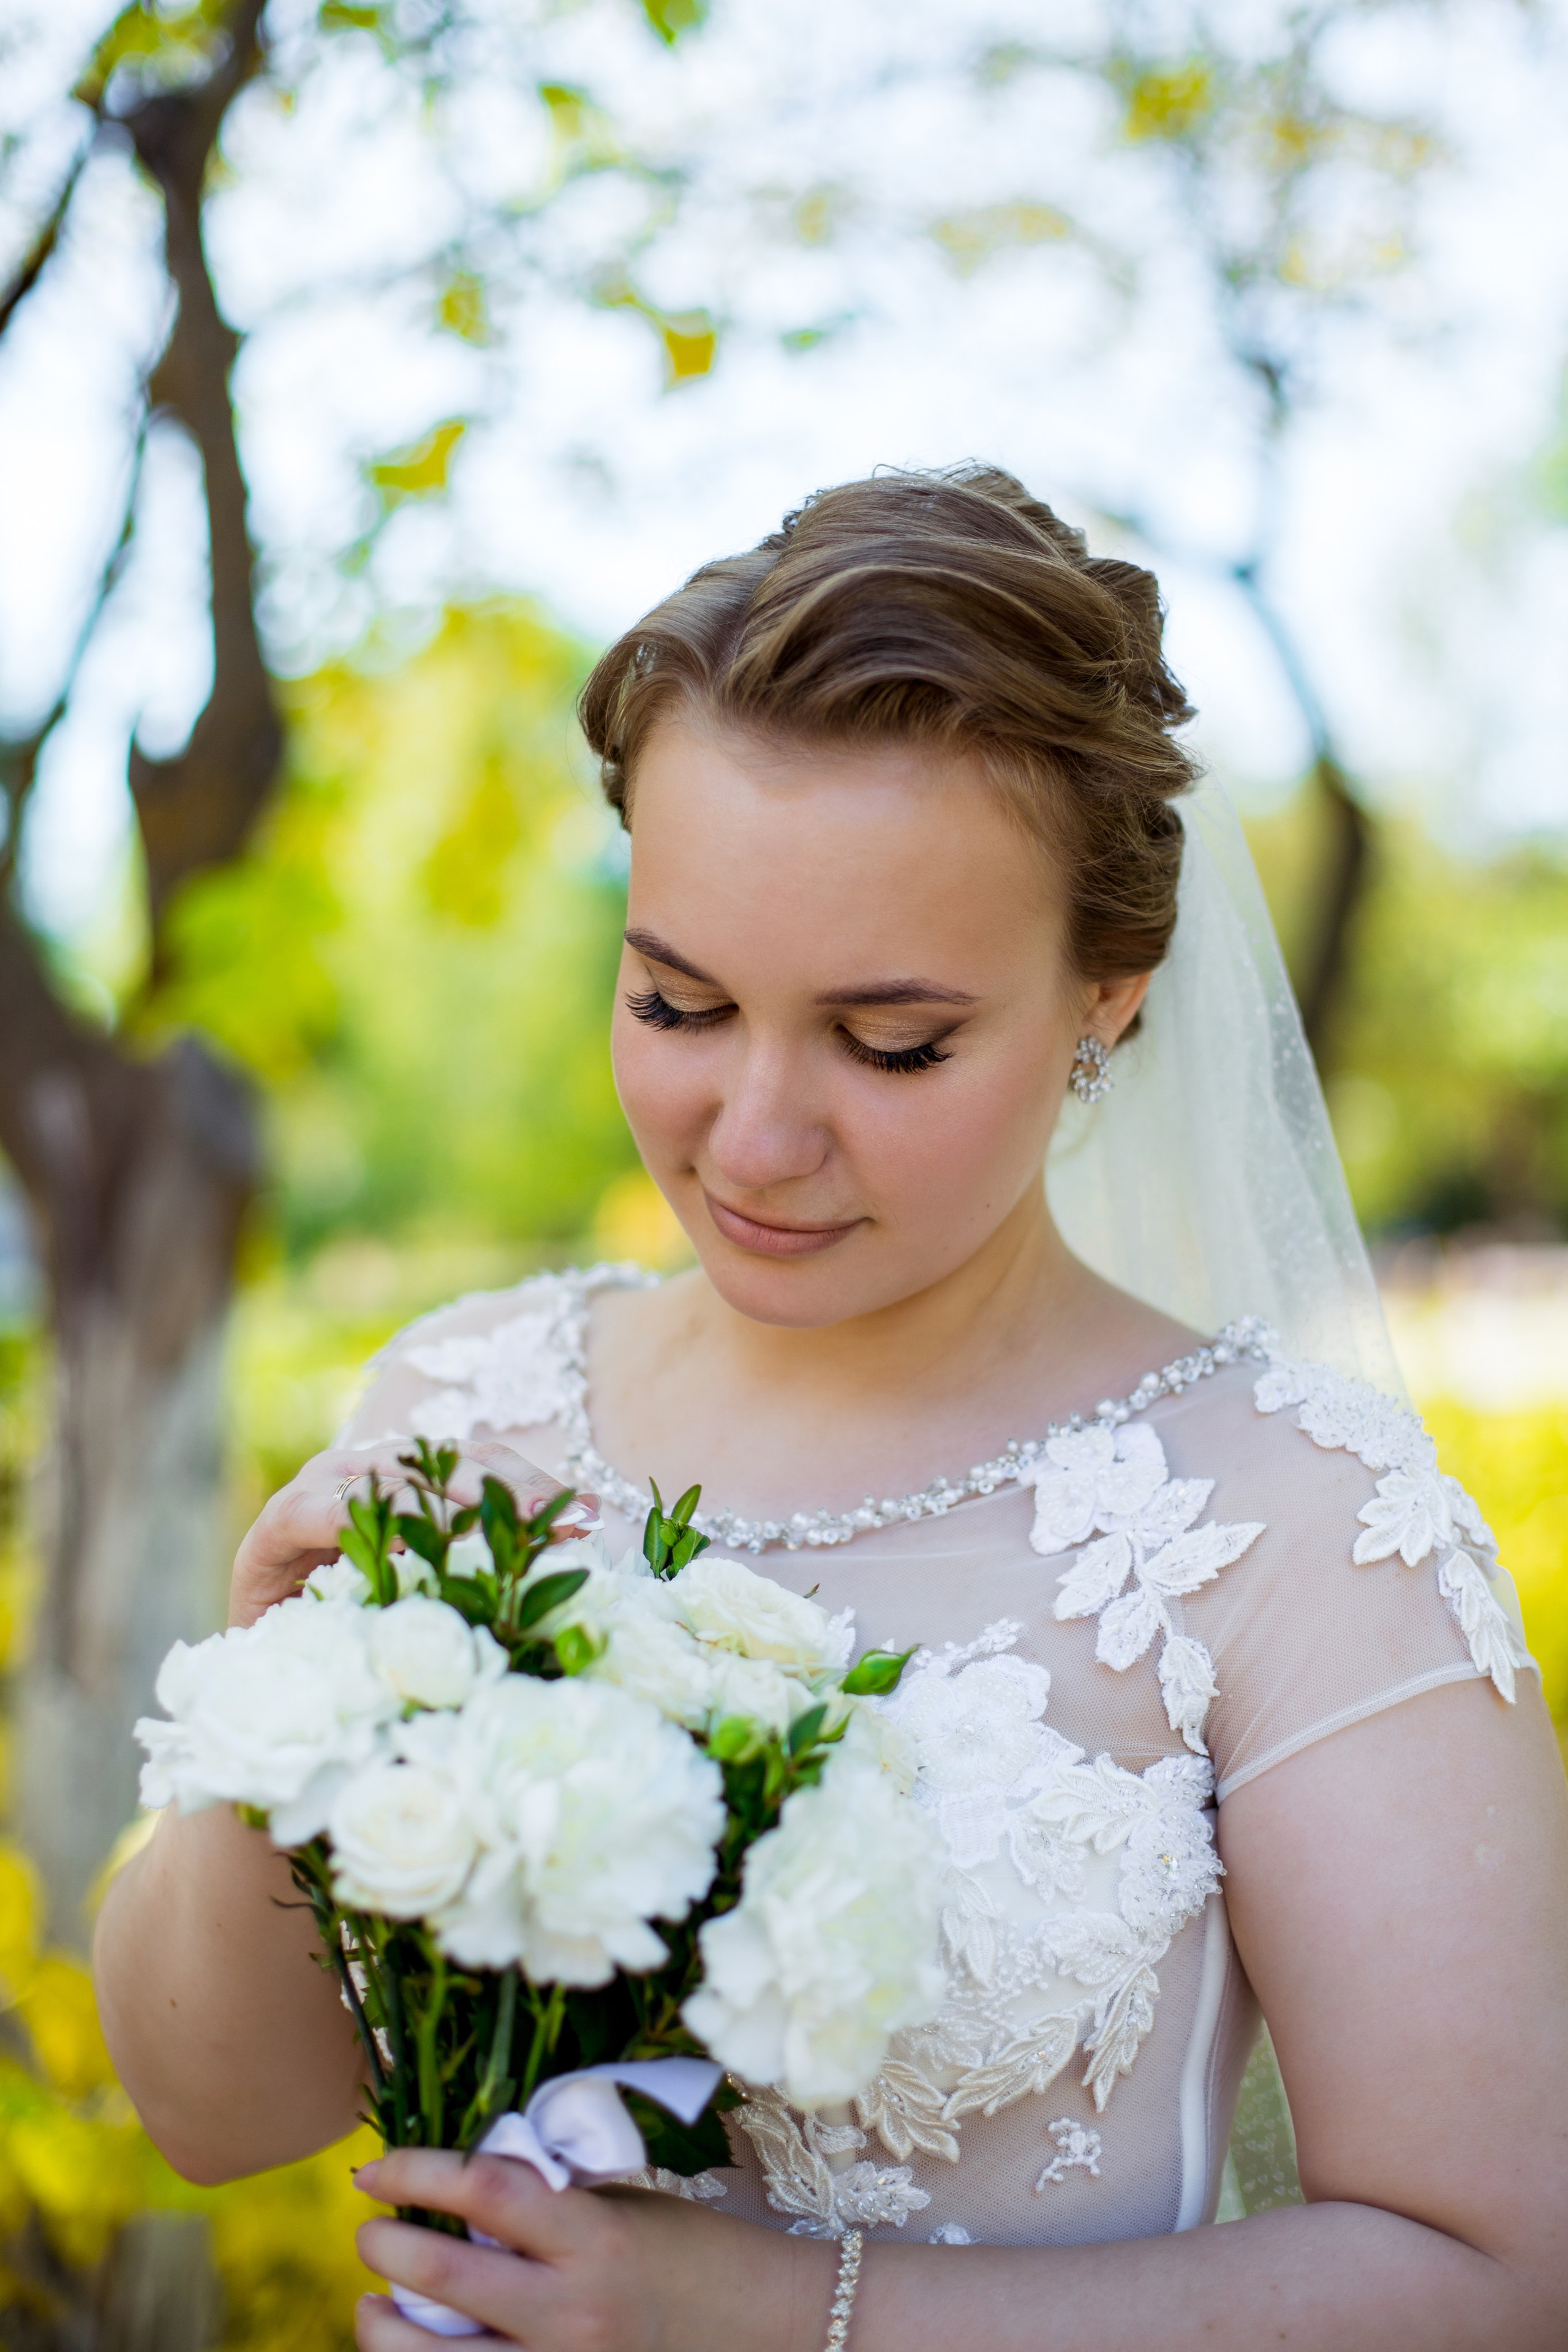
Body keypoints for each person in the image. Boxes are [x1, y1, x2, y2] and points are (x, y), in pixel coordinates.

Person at [94, 467, 1568, 2350]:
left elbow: (1499, 2279)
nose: (758, 1141)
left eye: (892, 1043)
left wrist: (782, 2315)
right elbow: (218, 2116)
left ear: (1108, 1000)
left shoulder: (1296, 1529)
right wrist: (283, 1723)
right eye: (679, 1006)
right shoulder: (468, 1410)